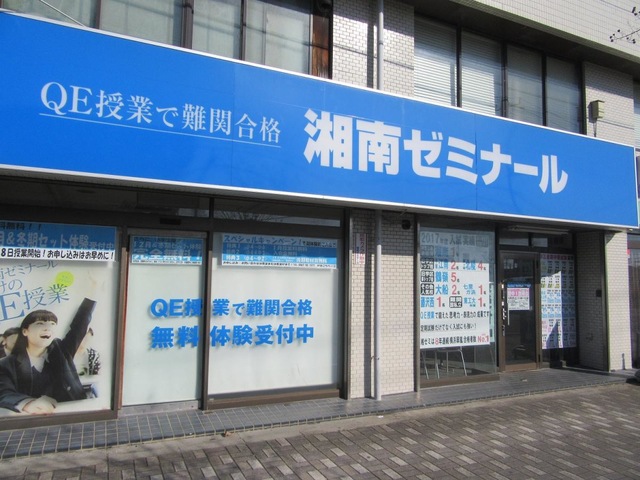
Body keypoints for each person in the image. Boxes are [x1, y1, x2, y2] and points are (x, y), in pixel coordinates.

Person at [0, 298, 96, 414]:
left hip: (77, 411)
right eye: (40, 324)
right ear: (25, 331)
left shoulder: (61, 350)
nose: (47, 328)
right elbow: (4, 392)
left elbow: (79, 325)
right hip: (39, 419)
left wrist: (91, 296)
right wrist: (28, 403)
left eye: (52, 324)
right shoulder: (6, 364)